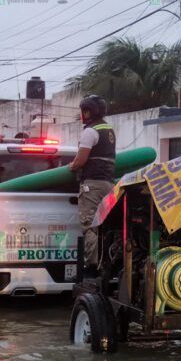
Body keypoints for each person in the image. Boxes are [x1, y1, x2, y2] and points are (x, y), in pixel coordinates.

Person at [68, 95, 116, 273]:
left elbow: (80, 160)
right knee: (104, 225)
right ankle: (107, 263)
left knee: (90, 225)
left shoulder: (90, 131)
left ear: (87, 112)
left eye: (83, 111)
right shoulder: (108, 129)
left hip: (92, 185)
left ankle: (92, 265)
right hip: (108, 184)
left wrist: (71, 166)